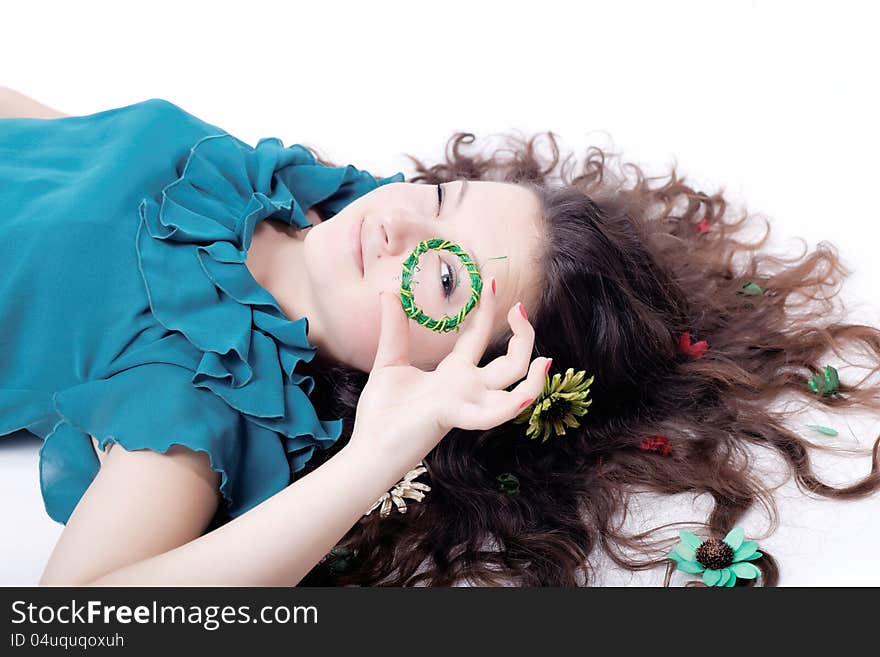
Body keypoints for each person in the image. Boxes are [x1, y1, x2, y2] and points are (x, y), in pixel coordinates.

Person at [1, 89, 878, 587]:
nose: (395, 230)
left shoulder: (196, 393)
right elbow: (52, 141)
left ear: (445, 381)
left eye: (442, 278)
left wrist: (373, 456)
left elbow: (83, 615)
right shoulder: (248, 172)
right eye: (441, 201)